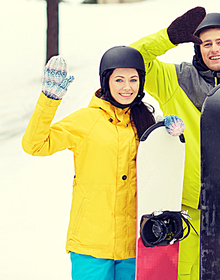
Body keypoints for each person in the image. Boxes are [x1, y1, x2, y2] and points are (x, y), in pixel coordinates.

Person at [129, 7, 220, 279]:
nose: (214, 49)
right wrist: (168, 37)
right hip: (185, 212)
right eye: (206, 43)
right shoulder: (175, 80)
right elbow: (132, 59)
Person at [22, 46, 156, 280]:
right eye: (119, 79)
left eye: (134, 79)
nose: (127, 87)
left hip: (134, 245)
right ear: (106, 81)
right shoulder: (86, 120)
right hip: (91, 246)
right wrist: (49, 101)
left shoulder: (144, 122)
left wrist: (169, 134)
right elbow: (35, 145)